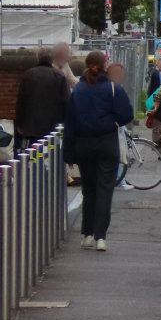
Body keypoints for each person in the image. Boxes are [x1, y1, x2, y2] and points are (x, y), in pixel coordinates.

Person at [65, 51, 134, 251]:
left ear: (87, 65)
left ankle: (87, 234)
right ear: (105, 65)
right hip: (106, 143)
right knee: (105, 189)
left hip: (83, 144)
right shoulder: (113, 89)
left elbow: (70, 122)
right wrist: (111, 121)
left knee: (89, 189)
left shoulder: (78, 90)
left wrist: (69, 153)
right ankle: (101, 237)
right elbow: (126, 115)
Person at [14, 47, 70, 150]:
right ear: (52, 59)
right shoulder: (59, 76)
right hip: (53, 126)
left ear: (38, 58)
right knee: (53, 155)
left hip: (32, 126)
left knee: (34, 156)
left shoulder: (28, 75)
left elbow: (21, 101)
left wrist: (19, 123)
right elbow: (66, 101)